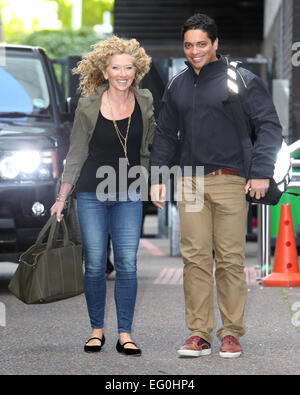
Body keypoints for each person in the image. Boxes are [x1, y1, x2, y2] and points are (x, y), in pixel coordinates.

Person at [150, 13, 282, 358]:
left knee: (230, 260)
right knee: (194, 260)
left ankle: (231, 332)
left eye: (201, 44)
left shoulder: (240, 79)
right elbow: (164, 134)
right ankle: (198, 332)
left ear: (215, 44)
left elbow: (269, 126)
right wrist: (158, 177)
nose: (194, 51)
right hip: (190, 182)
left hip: (231, 181)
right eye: (189, 45)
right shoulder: (177, 84)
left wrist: (261, 172)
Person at [51, 36, 155, 356]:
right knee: (95, 264)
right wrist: (62, 196)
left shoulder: (146, 100)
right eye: (116, 67)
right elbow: (77, 152)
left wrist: (151, 183)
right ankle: (97, 330)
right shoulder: (88, 103)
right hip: (91, 194)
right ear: (105, 70)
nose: (123, 73)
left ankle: (125, 333)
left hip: (129, 193)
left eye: (128, 67)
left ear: (136, 70)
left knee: (127, 264)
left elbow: (147, 149)